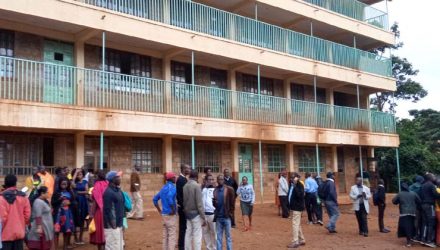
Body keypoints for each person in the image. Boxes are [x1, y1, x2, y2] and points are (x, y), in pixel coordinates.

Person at [0, 174, 31, 250]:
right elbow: (27, 215)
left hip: (5, 235)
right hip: (19, 234)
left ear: (5, 183)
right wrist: (21, 224)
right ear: (15, 183)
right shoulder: (23, 197)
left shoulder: (1, 198)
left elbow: (2, 218)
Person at [153, 172, 177, 250]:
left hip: (164, 214)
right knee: (172, 235)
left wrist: (159, 210)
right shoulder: (172, 187)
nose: (175, 178)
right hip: (170, 215)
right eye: (174, 177)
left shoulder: (163, 188)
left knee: (165, 235)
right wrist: (173, 210)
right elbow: (170, 198)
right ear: (171, 178)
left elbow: (155, 199)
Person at [392, 182, 421, 247]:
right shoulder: (413, 193)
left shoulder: (400, 194)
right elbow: (419, 201)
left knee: (406, 227)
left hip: (404, 213)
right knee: (411, 226)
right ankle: (412, 238)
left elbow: (394, 201)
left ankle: (409, 241)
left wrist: (399, 202)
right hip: (413, 213)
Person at [51, 177, 76, 250]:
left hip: (67, 213)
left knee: (66, 231)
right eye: (62, 183)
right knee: (56, 231)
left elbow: (74, 202)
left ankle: (65, 247)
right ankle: (56, 247)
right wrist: (59, 200)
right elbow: (53, 203)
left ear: (68, 184)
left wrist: (69, 203)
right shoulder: (56, 192)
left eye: (65, 183)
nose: (64, 184)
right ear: (59, 184)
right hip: (58, 213)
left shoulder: (70, 192)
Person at [183, 170, 206, 250]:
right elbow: (199, 204)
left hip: (187, 213)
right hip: (196, 214)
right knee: (197, 235)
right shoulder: (197, 186)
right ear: (197, 177)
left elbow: (184, 201)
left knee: (188, 233)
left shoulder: (185, 186)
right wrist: (203, 217)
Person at [103, 171, 125, 250]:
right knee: (112, 246)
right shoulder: (108, 192)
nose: (120, 178)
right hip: (112, 226)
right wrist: (113, 226)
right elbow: (108, 210)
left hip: (118, 224)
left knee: (119, 246)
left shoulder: (118, 190)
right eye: (118, 177)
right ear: (113, 179)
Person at [213, 174, 235, 250]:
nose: (220, 181)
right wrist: (214, 202)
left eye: (222, 179)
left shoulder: (229, 189)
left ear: (224, 180)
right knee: (219, 238)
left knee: (228, 237)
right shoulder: (215, 190)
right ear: (217, 180)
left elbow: (232, 203)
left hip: (226, 217)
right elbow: (214, 204)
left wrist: (230, 213)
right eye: (219, 179)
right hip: (218, 218)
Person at [419, 173, 440, 247]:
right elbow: (436, 195)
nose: (434, 177)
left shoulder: (422, 185)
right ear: (430, 178)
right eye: (433, 176)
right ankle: (429, 240)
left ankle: (423, 239)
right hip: (430, 205)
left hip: (423, 205)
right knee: (431, 222)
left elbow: (420, 195)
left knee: (424, 223)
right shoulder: (431, 185)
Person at [90, 170, 108, 250]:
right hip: (108, 211)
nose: (94, 177)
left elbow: (95, 201)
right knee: (106, 231)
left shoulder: (97, 185)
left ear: (98, 176)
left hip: (99, 211)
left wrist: (91, 213)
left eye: (95, 176)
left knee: (99, 231)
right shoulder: (107, 183)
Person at [287, 173, 306, 248]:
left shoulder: (299, 185)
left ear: (297, 178)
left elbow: (300, 195)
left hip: (297, 207)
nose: (291, 179)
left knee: (295, 224)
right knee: (297, 224)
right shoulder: (291, 185)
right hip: (293, 207)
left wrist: (295, 185)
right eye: (291, 178)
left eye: (293, 178)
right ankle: (302, 239)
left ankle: (295, 241)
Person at [72, 168, 89, 245]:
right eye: (78, 174)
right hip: (76, 202)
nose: (79, 176)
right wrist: (75, 173)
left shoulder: (85, 182)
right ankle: (75, 238)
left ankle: (80, 238)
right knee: (75, 220)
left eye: (81, 174)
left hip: (83, 202)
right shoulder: (74, 182)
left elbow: (87, 191)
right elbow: (72, 184)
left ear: (83, 175)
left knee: (82, 220)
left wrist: (78, 192)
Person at [177, 164, 190, 250]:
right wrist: (183, 206)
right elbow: (179, 195)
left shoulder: (184, 179)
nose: (189, 170)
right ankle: (181, 246)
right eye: (187, 168)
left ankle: (182, 244)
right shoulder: (181, 180)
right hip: (183, 208)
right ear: (182, 169)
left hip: (184, 207)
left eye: (189, 168)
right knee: (183, 227)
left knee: (184, 227)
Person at [202, 174, 216, 250]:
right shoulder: (203, 190)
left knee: (213, 232)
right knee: (205, 232)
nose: (210, 181)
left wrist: (214, 210)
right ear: (206, 181)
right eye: (209, 180)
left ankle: (214, 247)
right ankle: (208, 247)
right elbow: (202, 202)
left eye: (212, 179)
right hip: (204, 215)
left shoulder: (215, 190)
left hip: (212, 214)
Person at [409, 175, 424, 242]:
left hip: (410, 207)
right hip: (418, 207)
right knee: (418, 221)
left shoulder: (410, 187)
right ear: (421, 181)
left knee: (411, 220)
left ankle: (411, 234)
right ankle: (416, 235)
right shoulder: (421, 187)